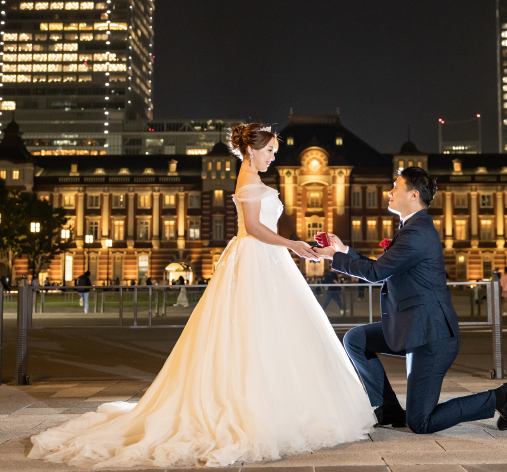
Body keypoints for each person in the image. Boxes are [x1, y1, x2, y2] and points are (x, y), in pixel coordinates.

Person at [29, 122, 374, 468]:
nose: (273, 157)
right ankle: (263, 408)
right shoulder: (249, 179)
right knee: (258, 331)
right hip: (257, 256)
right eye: (269, 151)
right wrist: (294, 245)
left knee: (266, 331)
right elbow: (254, 228)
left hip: (263, 258)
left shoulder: (249, 177)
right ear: (251, 150)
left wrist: (294, 247)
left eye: (274, 152)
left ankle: (272, 403)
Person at [315, 167, 507, 435]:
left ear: (413, 195)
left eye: (395, 187)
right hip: (413, 328)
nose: (389, 192)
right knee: (356, 340)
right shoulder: (412, 229)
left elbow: (377, 272)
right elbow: (384, 268)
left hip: (431, 337)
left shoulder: (417, 233)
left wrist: (334, 257)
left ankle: (500, 398)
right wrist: (343, 251)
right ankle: (387, 408)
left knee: (420, 423)